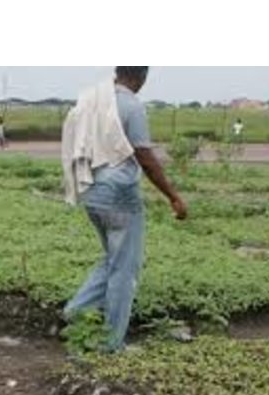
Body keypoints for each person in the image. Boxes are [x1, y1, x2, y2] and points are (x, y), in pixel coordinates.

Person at [61, 66, 187, 353]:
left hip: (91, 190)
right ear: (142, 77)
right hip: (119, 195)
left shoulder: (91, 101)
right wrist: (173, 197)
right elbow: (145, 157)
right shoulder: (131, 106)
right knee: (125, 270)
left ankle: (75, 312)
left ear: (117, 71)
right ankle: (111, 343)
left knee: (113, 260)